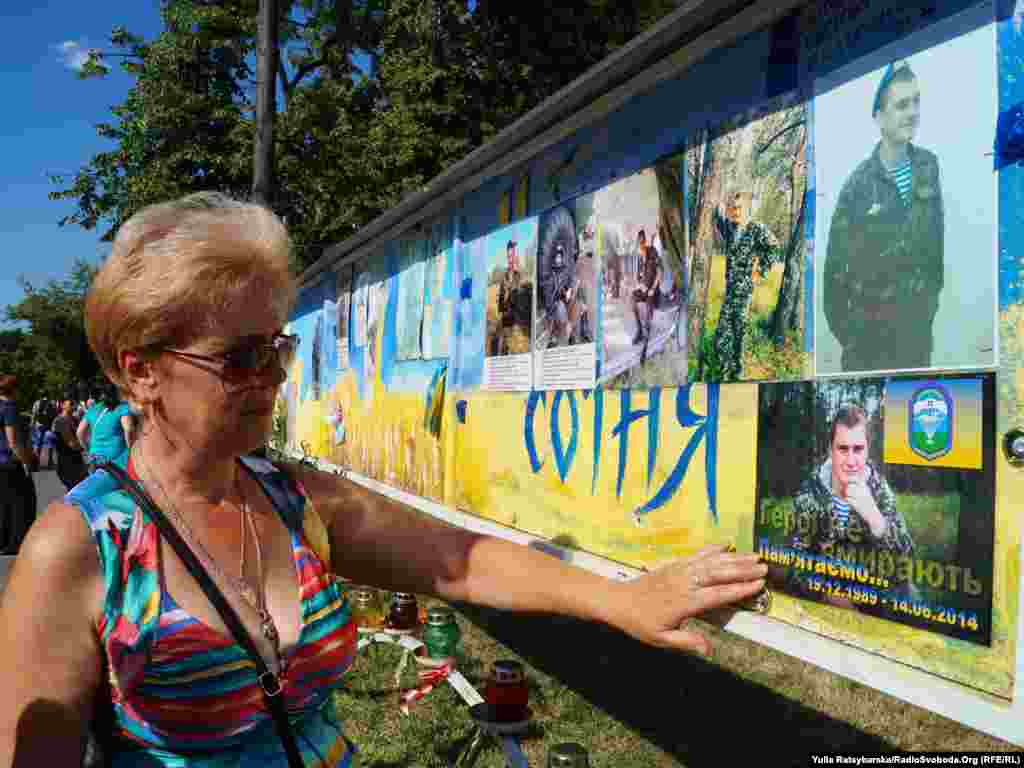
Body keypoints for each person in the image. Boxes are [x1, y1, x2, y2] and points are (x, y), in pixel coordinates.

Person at [0, 192, 766, 766]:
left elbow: (457, 560)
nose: (271, 380)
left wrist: (623, 601)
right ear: (140, 371)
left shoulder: (291, 497)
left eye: (278, 349)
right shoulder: (79, 549)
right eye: (240, 358)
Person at [823, 60, 943, 372]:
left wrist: (926, 307)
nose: (913, 112)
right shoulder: (857, 185)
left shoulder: (928, 166)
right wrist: (854, 337)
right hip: (867, 349)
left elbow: (935, 249)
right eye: (902, 105)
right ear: (878, 117)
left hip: (916, 342)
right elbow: (833, 277)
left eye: (916, 101)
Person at [784, 405, 915, 606]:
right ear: (830, 450)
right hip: (824, 598)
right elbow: (792, 563)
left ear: (868, 450)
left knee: (912, 596)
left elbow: (907, 562)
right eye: (843, 449)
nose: (851, 461)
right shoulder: (810, 494)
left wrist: (875, 518)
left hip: (872, 596)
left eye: (858, 449)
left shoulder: (879, 489)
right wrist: (828, 596)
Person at [711, 192, 780, 381]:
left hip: (745, 291)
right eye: (733, 208)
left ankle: (737, 372)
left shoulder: (755, 228)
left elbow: (774, 247)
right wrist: (718, 203)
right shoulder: (731, 228)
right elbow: (718, 217)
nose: (736, 211)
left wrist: (762, 271)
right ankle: (722, 371)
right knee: (723, 332)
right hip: (730, 289)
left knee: (739, 331)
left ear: (746, 208)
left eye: (739, 208)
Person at [0, 376, 37, 555]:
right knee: (20, 502)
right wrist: (25, 462)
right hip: (9, 461)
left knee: (3, 503)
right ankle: (16, 542)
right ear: (14, 390)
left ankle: (3, 540)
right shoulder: (9, 408)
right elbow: (13, 440)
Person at [76, 384, 134, 472]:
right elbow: (128, 429)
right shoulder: (123, 407)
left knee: (97, 483)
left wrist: (88, 449)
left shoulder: (93, 409)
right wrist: (131, 450)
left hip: (94, 456)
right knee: (118, 484)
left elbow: (79, 432)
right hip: (116, 457)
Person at [630, 229, 662, 345]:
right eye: (639, 248)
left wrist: (653, 289)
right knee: (633, 297)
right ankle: (639, 330)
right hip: (644, 289)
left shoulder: (653, 251)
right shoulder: (638, 258)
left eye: (642, 246)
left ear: (644, 243)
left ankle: (647, 331)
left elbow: (659, 273)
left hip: (653, 291)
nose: (641, 251)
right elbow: (637, 278)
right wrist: (639, 285)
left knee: (649, 306)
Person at [496, 240, 526, 355]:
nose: (510, 258)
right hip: (506, 316)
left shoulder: (519, 274)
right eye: (508, 256)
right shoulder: (505, 274)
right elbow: (502, 295)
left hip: (516, 316)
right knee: (503, 341)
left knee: (515, 343)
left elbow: (521, 292)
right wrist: (502, 311)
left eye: (513, 255)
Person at [52, 397, 88, 491]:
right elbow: (72, 443)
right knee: (75, 490)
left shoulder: (74, 419)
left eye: (74, 404)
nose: (74, 406)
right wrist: (87, 447)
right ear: (62, 405)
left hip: (76, 460)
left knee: (82, 489)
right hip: (66, 462)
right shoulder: (60, 421)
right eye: (71, 404)